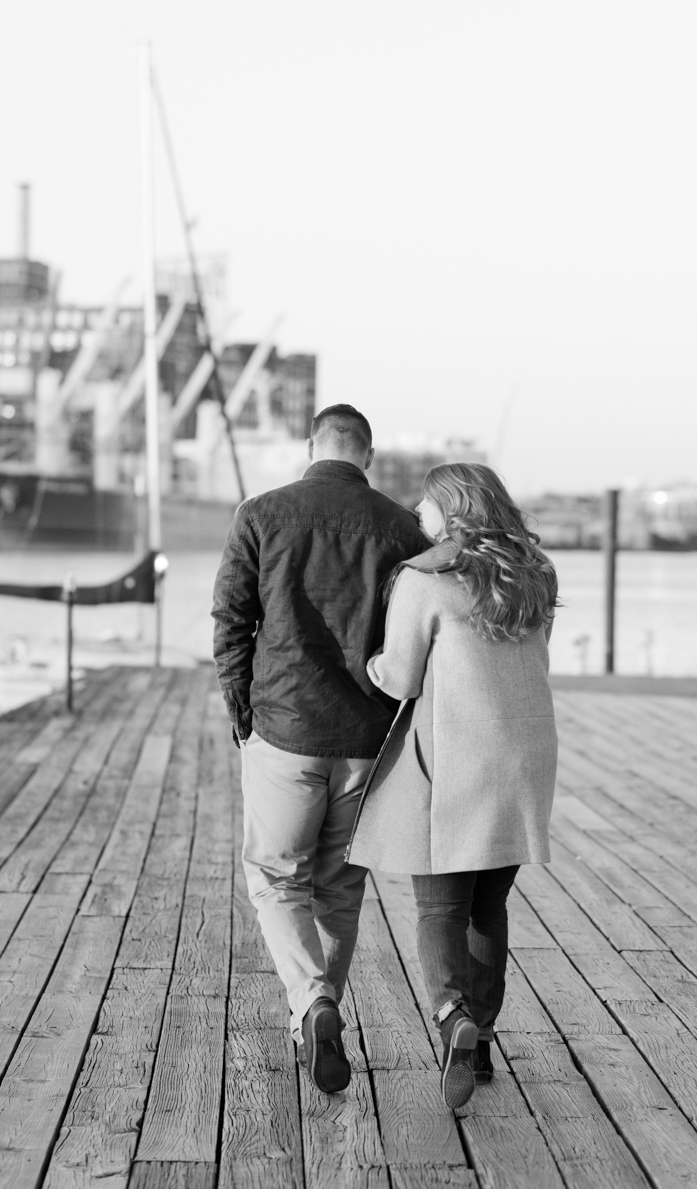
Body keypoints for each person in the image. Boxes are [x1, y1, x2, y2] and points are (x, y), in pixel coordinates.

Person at [212, 404, 428, 1094]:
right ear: (367, 454)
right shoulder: (402, 528)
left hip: (285, 727)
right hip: (366, 736)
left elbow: (230, 617)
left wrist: (242, 708)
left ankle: (313, 1005)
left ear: (313, 446)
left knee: (276, 878)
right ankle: (315, 1012)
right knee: (339, 887)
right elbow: (415, 639)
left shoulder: (262, 512)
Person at [347, 462, 559, 1109]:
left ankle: (451, 1016)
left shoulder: (427, 577)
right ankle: (482, 1039)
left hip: (455, 758)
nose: (417, 513)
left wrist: (364, 659)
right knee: (488, 907)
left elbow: (401, 677)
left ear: (453, 507)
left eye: (426, 503)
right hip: (525, 756)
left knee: (440, 906)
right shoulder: (535, 573)